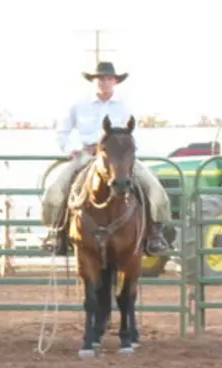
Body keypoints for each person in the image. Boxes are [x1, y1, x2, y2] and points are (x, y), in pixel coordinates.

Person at [41, 61, 171, 256]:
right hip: (87, 154)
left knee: (154, 188)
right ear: (93, 81)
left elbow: (138, 132)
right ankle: (56, 234)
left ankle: (155, 235)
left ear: (115, 81)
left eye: (109, 78)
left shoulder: (126, 105)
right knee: (55, 189)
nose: (104, 82)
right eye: (100, 78)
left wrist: (129, 154)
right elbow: (61, 132)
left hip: (120, 158)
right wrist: (72, 149)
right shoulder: (78, 105)